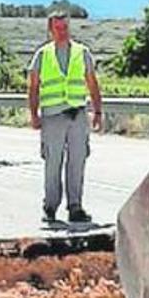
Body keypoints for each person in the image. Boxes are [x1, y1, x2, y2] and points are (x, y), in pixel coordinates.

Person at [27, 12, 103, 224]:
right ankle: (50, 207)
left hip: (77, 114)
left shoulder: (82, 53)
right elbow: (33, 87)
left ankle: (75, 207)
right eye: (58, 28)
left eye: (65, 28)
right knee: (53, 163)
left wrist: (97, 111)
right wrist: (34, 114)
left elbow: (92, 83)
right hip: (52, 117)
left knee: (77, 162)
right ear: (50, 30)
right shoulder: (42, 55)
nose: (62, 32)